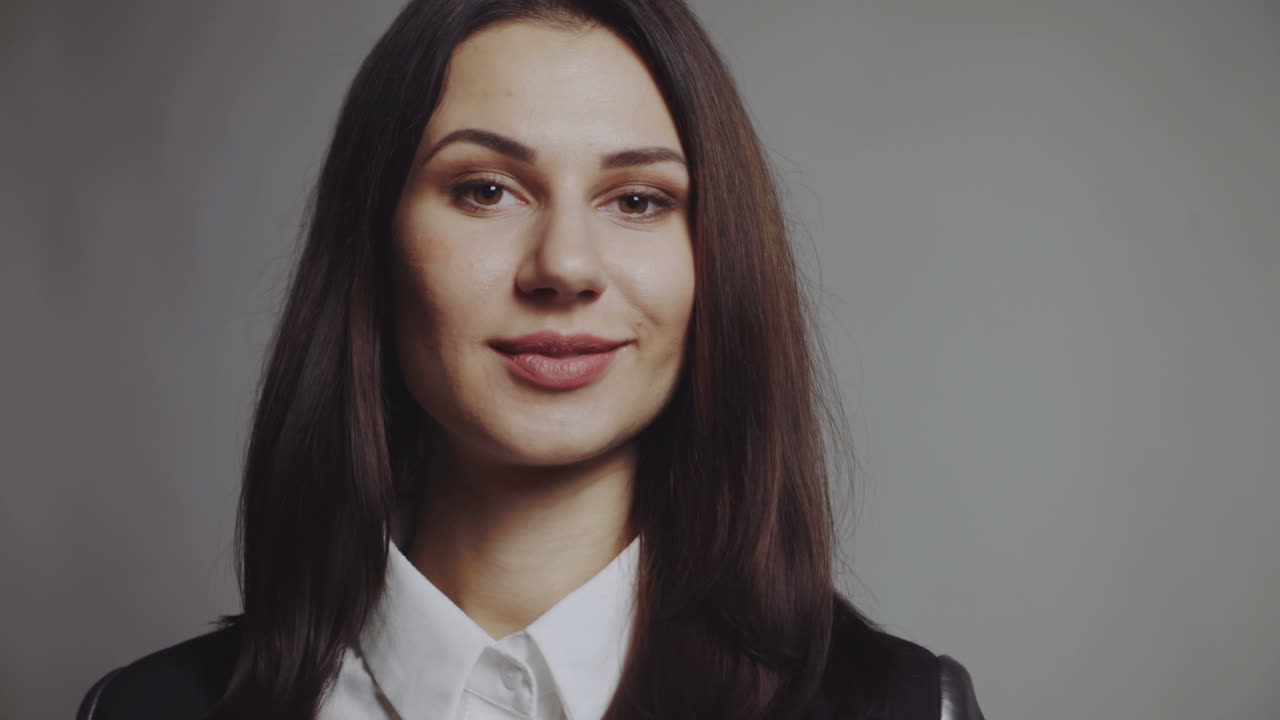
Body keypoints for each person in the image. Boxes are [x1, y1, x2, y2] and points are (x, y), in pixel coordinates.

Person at [77, 1, 985, 718]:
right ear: (376, 245)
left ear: (714, 260)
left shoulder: (906, 709)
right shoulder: (146, 710)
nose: (565, 266)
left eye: (636, 200)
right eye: (486, 189)